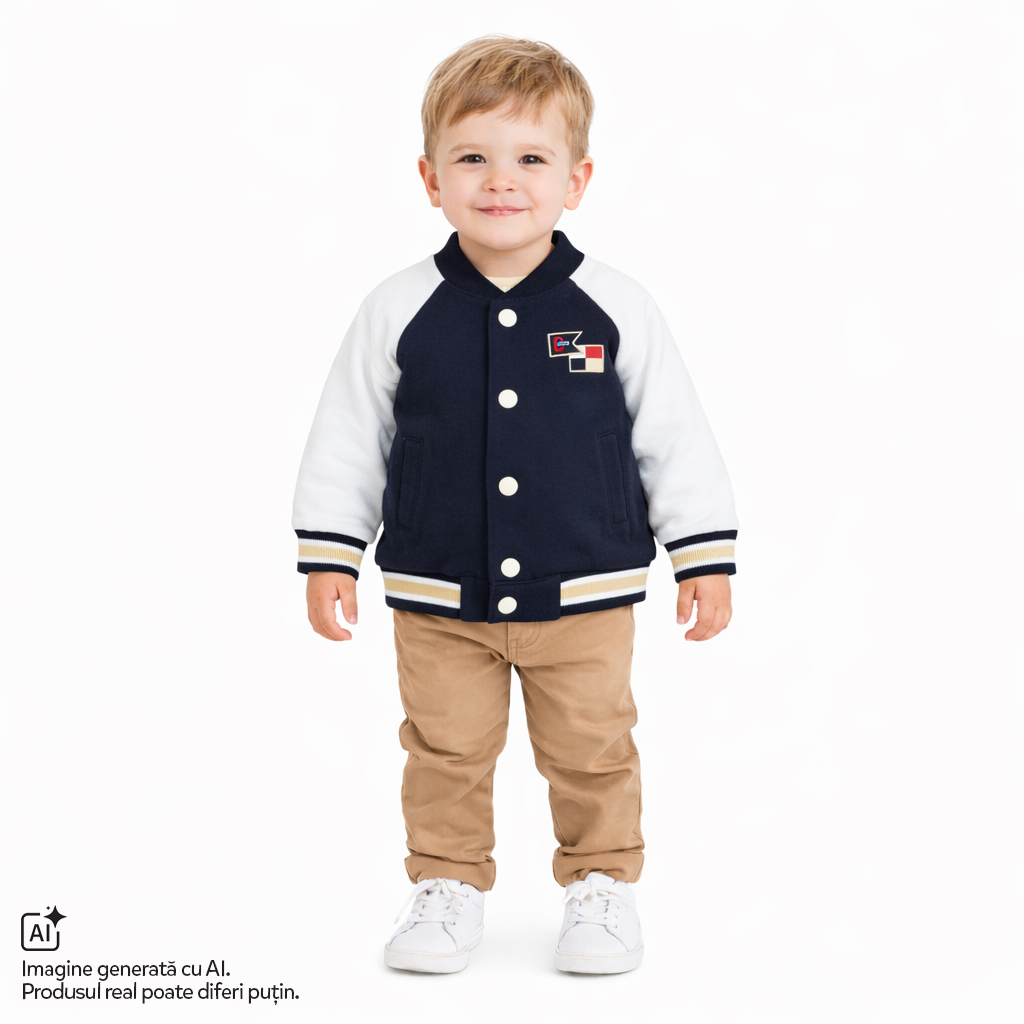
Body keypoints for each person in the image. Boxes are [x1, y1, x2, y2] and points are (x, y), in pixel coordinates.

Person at [292, 34, 738, 975]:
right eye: (472, 157)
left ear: (577, 180)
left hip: (586, 592)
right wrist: (332, 551)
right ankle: (447, 883)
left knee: (593, 748)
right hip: (438, 595)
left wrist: (702, 556)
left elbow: (673, 435)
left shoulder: (614, 306)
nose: (501, 181)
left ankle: (602, 884)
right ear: (430, 178)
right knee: (443, 750)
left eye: (531, 158)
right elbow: (349, 434)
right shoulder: (398, 307)